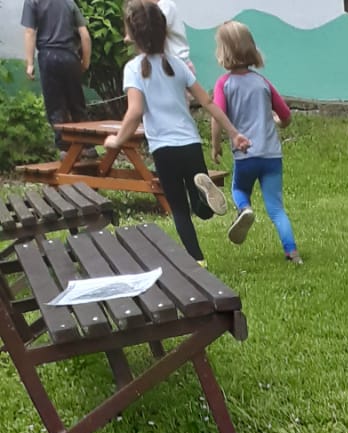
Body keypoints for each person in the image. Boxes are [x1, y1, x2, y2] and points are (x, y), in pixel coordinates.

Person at [103, 3, 247, 263]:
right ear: (164, 31)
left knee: (179, 209)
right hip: (190, 144)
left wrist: (118, 139)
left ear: (132, 35)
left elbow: (134, 112)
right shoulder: (178, 65)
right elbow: (208, 102)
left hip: (164, 150)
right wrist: (234, 133)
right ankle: (204, 194)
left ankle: (198, 259)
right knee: (203, 211)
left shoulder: (133, 69)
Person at [209, 21, 302, 263]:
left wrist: (215, 145)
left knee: (239, 189)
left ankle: (245, 209)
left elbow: (217, 117)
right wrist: (279, 122)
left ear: (223, 51)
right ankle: (292, 252)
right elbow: (286, 116)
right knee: (276, 209)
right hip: (271, 156)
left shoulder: (224, 83)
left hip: (246, 155)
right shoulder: (263, 82)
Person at [22, 0, 91, 150]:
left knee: (56, 108)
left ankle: (65, 149)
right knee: (77, 105)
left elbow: (30, 32)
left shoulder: (32, 2)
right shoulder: (69, 2)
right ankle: (88, 147)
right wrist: (85, 62)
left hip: (48, 57)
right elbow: (84, 35)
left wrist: (30, 63)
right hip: (70, 57)